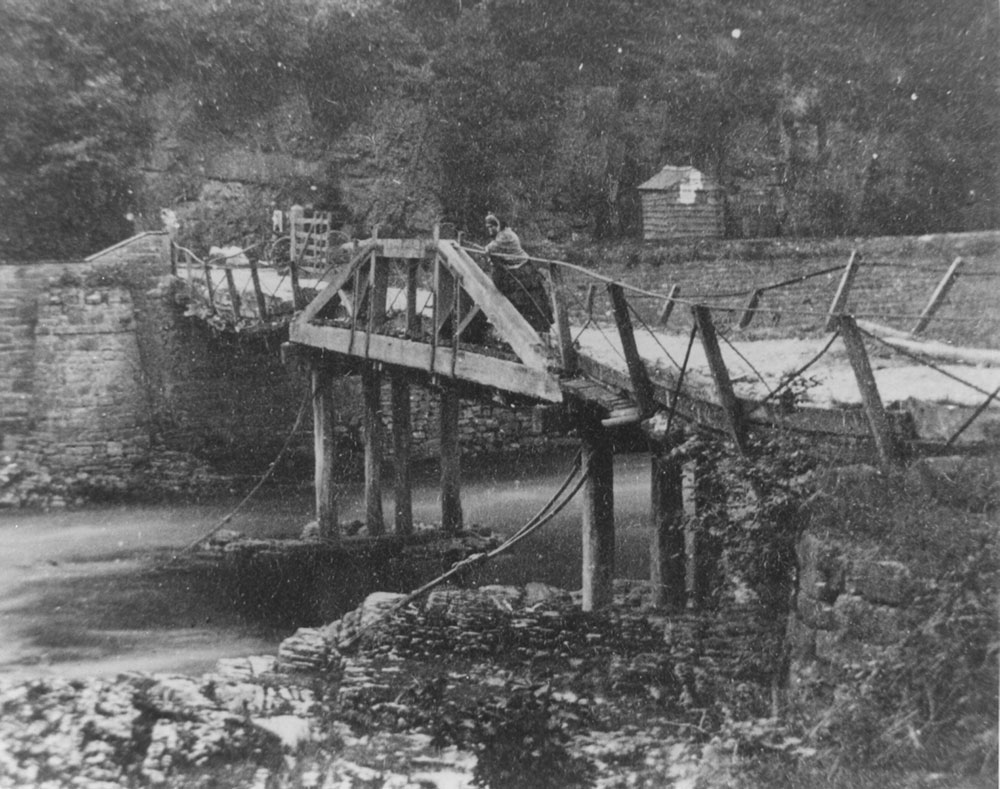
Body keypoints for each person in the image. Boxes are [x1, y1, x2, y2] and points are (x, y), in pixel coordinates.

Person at [483, 213, 552, 333]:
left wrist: (487, 250)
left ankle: (532, 330)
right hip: (517, 269)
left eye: (492, 226)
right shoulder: (504, 234)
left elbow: (490, 248)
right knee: (523, 299)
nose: (490, 230)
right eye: (488, 227)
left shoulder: (505, 236)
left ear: (499, 225)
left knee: (527, 300)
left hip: (523, 270)